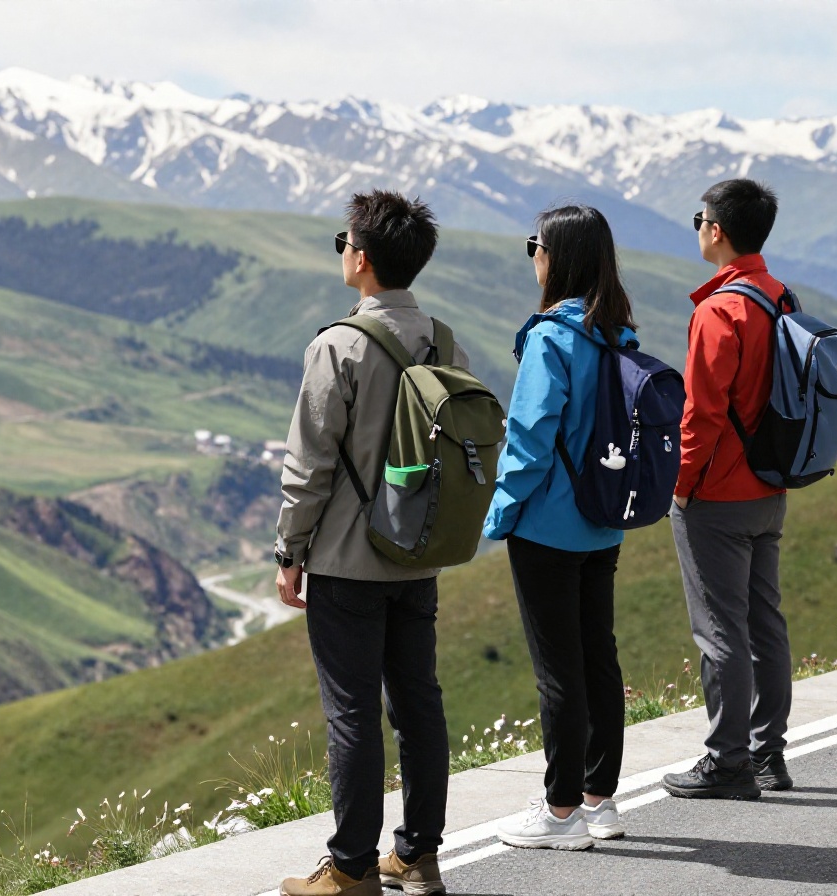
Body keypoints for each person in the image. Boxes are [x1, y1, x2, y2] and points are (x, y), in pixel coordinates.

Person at [274, 190, 468, 896]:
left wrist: (289, 553)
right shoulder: (444, 341)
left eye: (345, 241)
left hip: (348, 563)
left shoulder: (338, 345)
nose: (343, 251)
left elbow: (310, 465)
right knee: (419, 702)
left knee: (352, 714)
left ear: (361, 257)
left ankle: (351, 868)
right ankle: (417, 855)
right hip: (418, 554)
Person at [481, 204, 638, 850]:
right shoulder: (617, 335)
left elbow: (528, 439)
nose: (533, 256)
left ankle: (561, 810)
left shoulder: (551, 338)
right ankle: (599, 799)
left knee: (558, 670)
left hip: (548, 526)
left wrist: (498, 515)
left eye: (535, 246)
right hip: (603, 521)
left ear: (558, 257)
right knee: (598, 656)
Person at [662, 178, 795, 799]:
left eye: (699, 218)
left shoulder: (719, 310)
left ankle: (727, 761)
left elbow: (702, 414)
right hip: (771, 488)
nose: (697, 227)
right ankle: (769, 754)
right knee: (765, 622)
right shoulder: (779, 297)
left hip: (718, 495)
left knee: (720, 631)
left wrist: (683, 488)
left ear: (716, 229)